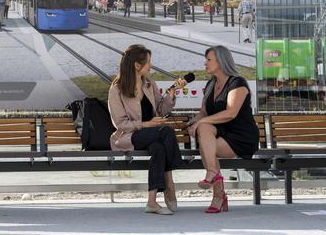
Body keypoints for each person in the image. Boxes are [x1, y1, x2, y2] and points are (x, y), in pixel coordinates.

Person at [108, 44, 187, 215]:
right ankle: (169, 181)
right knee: (166, 131)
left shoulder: (150, 84)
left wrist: (172, 93)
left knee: (159, 148)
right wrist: (145, 125)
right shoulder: (116, 89)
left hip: (152, 136)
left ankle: (152, 202)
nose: (151, 65)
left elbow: (160, 111)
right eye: (149, 62)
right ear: (137, 65)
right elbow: (119, 123)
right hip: (129, 136)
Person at [187, 45, 259, 214]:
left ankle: (218, 193)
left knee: (207, 145)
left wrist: (201, 122)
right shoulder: (211, 83)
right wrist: (193, 123)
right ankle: (214, 177)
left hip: (241, 136)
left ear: (220, 61)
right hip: (220, 134)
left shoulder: (237, 82)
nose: (205, 63)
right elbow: (203, 113)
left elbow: (231, 113)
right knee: (205, 132)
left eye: (209, 60)